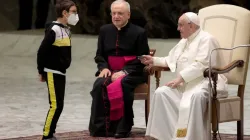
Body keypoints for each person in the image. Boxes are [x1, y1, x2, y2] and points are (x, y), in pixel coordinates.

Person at [141, 12, 228, 140]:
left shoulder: (207, 40)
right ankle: (166, 136)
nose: (178, 29)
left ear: (191, 26)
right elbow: (171, 59)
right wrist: (153, 61)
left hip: (204, 83)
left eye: (180, 25)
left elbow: (202, 65)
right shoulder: (184, 41)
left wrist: (180, 78)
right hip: (185, 85)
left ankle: (192, 137)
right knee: (162, 92)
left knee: (196, 96)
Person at [88, 0, 150, 138]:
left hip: (133, 71)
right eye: (114, 13)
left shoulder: (139, 32)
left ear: (128, 15)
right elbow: (100, 55)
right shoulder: (105, 30)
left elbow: (142, 58)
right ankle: (100, 128)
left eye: (120, 13)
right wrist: (103, 67)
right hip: (110, 69)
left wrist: (125, 71)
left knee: (122, 84)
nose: (116, 16)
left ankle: (122, 127)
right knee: (99, 84)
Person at [36, 0, 79, 139]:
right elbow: (41, 52)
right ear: (64, 13)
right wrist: (41, 71)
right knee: (55, 105)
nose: (76, 15)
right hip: (52, 71)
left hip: (61, 72)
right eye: (74, 12)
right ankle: (46, 135)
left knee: (59, 105)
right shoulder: (54, 29)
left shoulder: (66, 30)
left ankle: (51, 133)